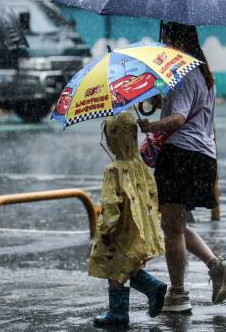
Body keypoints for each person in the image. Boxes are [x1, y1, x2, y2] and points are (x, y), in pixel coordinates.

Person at [138, 22, 226, 312]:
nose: (164, 43)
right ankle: (216, 266)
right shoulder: (203, 72)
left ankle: (178, 295)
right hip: (201, 156)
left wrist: (151, 125)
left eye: (166, 38)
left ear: (173, 38)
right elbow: (176, 107)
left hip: (181, 154)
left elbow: (179, 118)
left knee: (172, 229)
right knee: (175, 224)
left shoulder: (183, 74)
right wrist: (157, 99)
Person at [89, 113, 167, 327]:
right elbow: (151, 193)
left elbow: (111, 204)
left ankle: (120, 312)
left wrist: (106, 229)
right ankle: (151, 288)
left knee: (115, 267)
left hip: (119, 230)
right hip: (137, 227)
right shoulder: (139, 165)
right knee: (128, 264)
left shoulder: (113, 170)